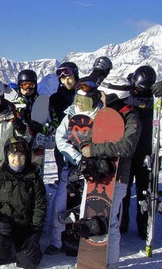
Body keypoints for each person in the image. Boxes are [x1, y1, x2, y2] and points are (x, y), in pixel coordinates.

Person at [80, 76, 140, 268]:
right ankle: (89, 260)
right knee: (90, 219)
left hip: (117, 178)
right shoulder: (102, 115)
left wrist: (95, 150)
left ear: (115, 95)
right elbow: (87, 139)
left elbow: (126, 147)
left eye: (104, 94)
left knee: (110, 224)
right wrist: (85, 148)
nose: (101, 97)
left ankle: (111, 264)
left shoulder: (131, 117)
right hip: (94, 178)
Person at [45, 81, 102, 255]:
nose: (80, 104)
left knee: (88, 205)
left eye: (84, 101)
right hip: (71, 167)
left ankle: (86, 240)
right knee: (59, 203)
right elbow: (60, 139)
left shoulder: (101, 115)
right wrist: (77, 158)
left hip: (93, 168)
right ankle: (56, 240)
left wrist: (92, 159)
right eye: (78, 99)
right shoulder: (70, 115)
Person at [0, 137, 47, 268]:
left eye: (21, 156)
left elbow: (40, 207)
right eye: (13, 155)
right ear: (7, 157)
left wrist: (36, 231)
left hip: (25, 225)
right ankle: (0, 253)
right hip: (4, 224)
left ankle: (24, 249)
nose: (17, 160)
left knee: (29, 262)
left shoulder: (34, 179)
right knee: (0, 246)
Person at [122, 65, 157, 238]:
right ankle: (122, 222)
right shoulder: (126, 93)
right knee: (124, 190)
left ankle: (143, 224)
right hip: (128, 150)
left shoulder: (154, 97)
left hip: (145, 151)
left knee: (144, 190)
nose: (139, 92)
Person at [47, 62, 80, 187]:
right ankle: (63, 190)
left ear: (75, 75)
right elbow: (53, 119)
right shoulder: (55, 98)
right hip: (63, 140)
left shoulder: (84, 94)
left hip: (81, 139)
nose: (66, 80)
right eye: (62, 78)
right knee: (64, 172)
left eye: (69, 77)